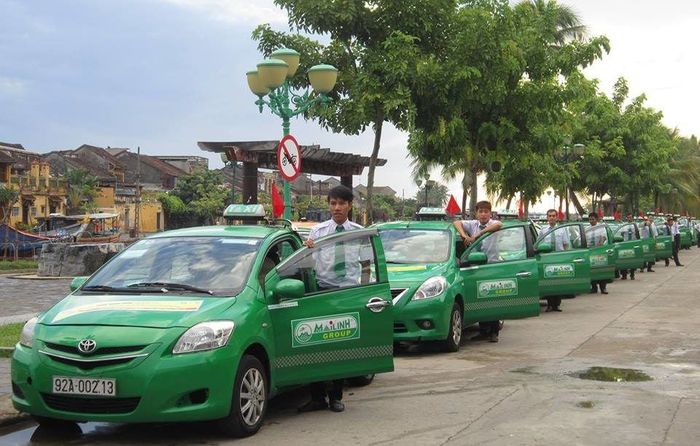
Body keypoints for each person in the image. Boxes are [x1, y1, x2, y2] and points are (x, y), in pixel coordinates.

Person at [298, 185, 362, 414]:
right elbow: (308, 266)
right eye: (333, 203)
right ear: (329, 205)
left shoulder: (358, 232)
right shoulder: (317, 233)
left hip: (347, 294)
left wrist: (365, 292)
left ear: (349, 205)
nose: (337, 208)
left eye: (341, 203)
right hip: (322, 293)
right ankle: (317, 397)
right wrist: (305, 250)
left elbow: (366, 266)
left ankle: (336, 397)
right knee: (317, 344)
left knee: (340, 345)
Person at [453, 200, 503, 342]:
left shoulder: (493, 224)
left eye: (486, 211)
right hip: (476, 267)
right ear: (476, 213)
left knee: (492, 299)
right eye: (480, 211)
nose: (483, 214)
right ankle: (483, 331)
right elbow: (456, 223)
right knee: (481, 297)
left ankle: (494, 332)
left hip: (491, 266)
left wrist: (477, 234)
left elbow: (499, 225)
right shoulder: (472, 224)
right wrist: (464, 235)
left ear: (490, 213)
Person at [539, 209, 569, 311]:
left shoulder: (562, 229)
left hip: (558, 259)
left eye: (553, 216)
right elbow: (539, 244)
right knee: (548, 282)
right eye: (550, 216)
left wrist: (566, 258)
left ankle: (557, 304)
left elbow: (566, 245)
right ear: (547, 218)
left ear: (556, 217)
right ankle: (549, 304)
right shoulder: (543, 230)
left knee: (558, 282)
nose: (551, 218)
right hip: (547, 259)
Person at [588, 212, 609, 295]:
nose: (591, 221)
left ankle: (603, 288)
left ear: (596, 219)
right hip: (590, 251)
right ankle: (594, 288)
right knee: (592, 270)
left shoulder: (601, 228)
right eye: (590, 219)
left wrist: (599, 245)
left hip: (599, 250)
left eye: (592, 219)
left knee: (601, 270)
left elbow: (603, 237)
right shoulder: (588, 229)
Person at [620, 214, 636, 280]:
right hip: (625, 244)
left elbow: (637, 234)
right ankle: (624, 275)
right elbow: (621, 234)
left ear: (632, 218)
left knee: (632, 260)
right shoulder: (624, 225)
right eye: (628, 217)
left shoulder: (635, 225)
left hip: (633, 244)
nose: (629, 218)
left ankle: (632, 275)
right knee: (624, 259)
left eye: (630, 217)